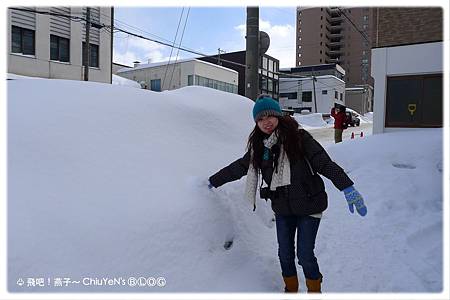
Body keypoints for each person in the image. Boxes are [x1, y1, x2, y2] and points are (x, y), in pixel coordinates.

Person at [207, 95, 367, 293]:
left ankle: (314, 291)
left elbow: (323, 163)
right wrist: (212, 181)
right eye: (260, 118)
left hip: (309, 205)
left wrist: (347, 187)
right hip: (283, 208)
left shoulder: (299, 138)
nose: (266, 122)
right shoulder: (260, 147)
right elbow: (239, 167)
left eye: (270, 116)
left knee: (305, 255)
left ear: (279, 116)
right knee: (284, 254)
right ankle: (290, 290)